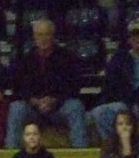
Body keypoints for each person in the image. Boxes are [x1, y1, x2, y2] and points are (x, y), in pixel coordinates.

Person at [5, 19, 87, 148]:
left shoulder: (67, 57)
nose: (43, 38)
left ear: (53, 36)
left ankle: (81, 153)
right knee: (16, 108)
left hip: (59, 108)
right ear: (34, 37)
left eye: (47, 34)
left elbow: (74, 86)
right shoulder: (24, 60)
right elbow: (17, 88)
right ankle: (10, 155)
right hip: (32, 109)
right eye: (39, 35)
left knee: (76, 106)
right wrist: (33, 101)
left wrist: (54, 100)